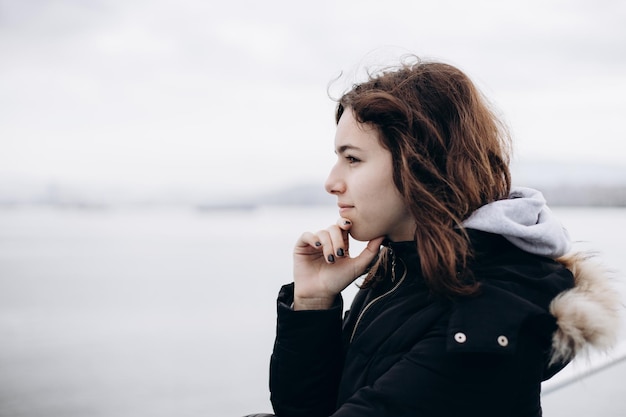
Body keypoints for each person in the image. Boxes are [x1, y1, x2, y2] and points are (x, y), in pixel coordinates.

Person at [246, 58, 621, 417]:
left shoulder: (486, 314)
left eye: (353, 159)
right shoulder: (403, 268)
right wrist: (312, 302)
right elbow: (305, 410)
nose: (331, 182)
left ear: (419, 163)